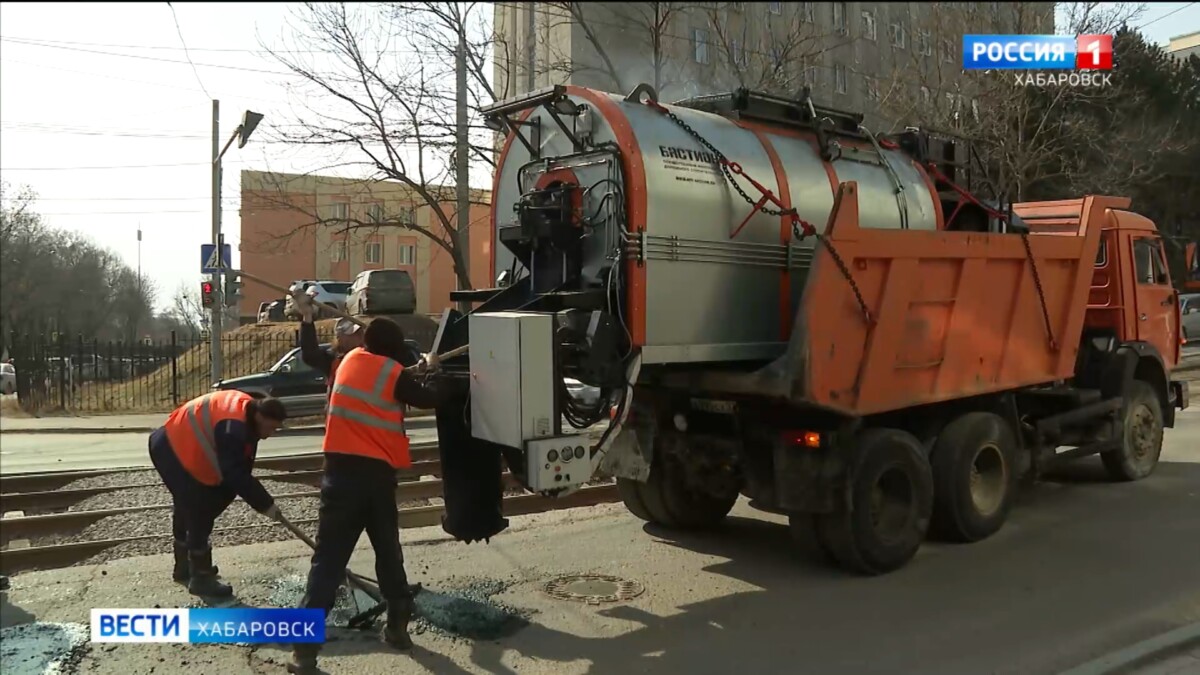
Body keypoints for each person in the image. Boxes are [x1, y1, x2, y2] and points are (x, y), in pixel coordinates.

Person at [289, 317, 443, 675]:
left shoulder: (348, 361)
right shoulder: (392, 372)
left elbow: (386, 375)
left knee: (327, 562)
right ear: (393, 350)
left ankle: (304, 651)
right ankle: (397, 629)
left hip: (339, 477)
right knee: (388, 553)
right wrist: (433, 370)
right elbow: (429, 399)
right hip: (377, 480)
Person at [149, 390, 289, 597]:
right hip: (171, 448)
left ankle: (186, 566)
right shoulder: (233, 428)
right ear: (260, 417)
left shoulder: (249, 413)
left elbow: (242, 466)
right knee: (198, 507)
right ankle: (201, 578)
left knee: (192, 504)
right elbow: (236, 473)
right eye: (270, 428)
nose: (270, 434)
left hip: (178, 441)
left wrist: (259, 500)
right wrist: (265, 504)